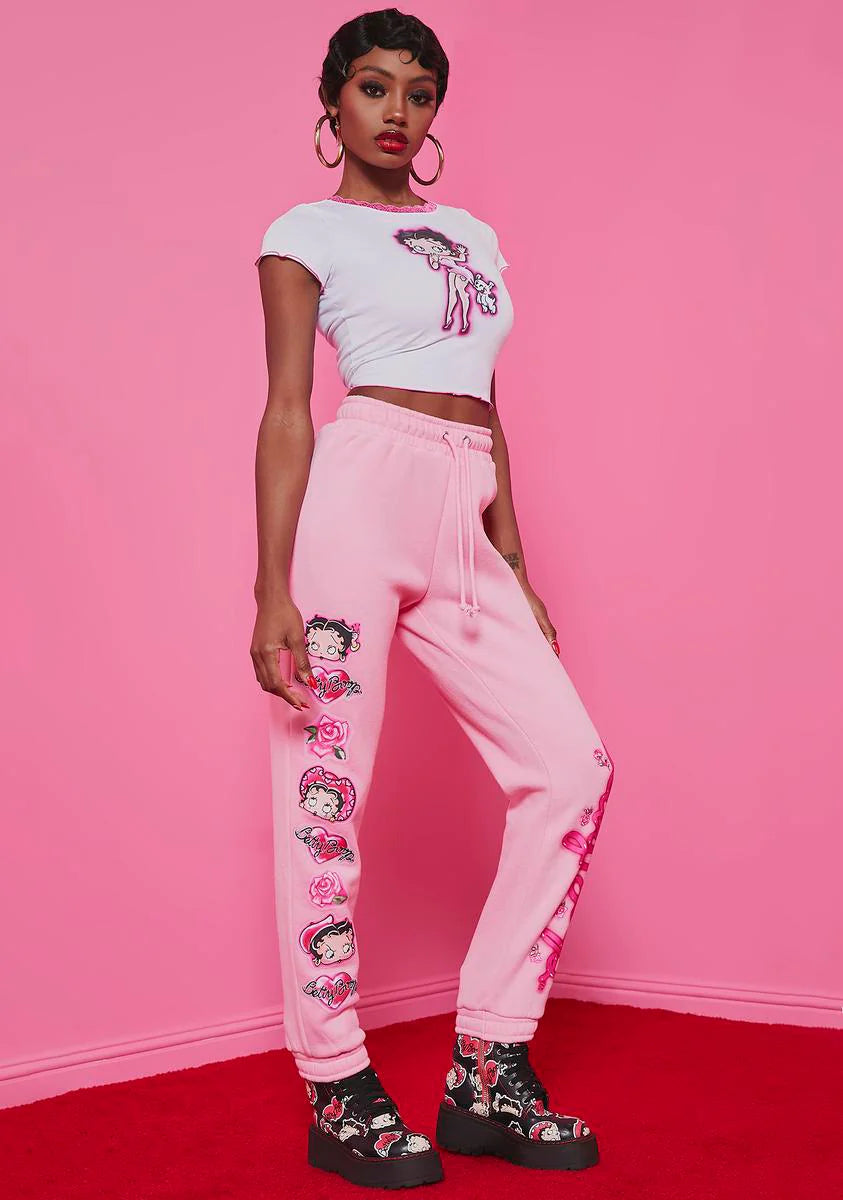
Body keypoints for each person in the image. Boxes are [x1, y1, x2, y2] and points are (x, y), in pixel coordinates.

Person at [251, 8, 615, 1189]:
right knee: (325, 803)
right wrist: (270, 589)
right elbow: (290, 411)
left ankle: (487, 1065)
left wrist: (515, 559)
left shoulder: (473, 234)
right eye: (374, 88)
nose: (397, 112)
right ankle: (335, 1082)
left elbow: (485, 397)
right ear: (333, 105)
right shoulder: (304, 233)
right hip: (358, 503)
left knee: (570, 768)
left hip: (465, 509)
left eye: (417, 92)